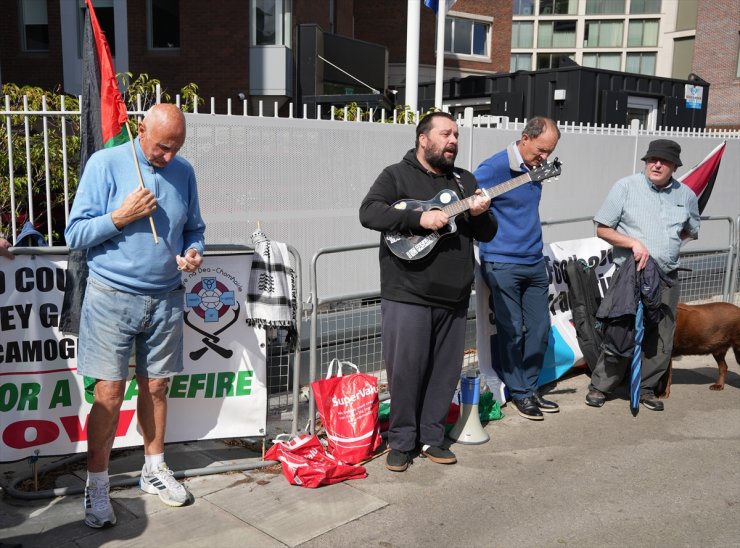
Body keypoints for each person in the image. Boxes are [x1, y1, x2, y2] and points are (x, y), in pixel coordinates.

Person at [65, 103, 206, 528]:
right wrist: (120, 217)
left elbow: (194, 227)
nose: (168, 157)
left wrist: (195, 251)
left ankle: (154, 468)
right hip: (111, 296)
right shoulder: (105, 163)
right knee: (108, 393)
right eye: (163, 147)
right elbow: (75, 234)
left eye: (176, 148)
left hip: (165, 296)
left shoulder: (184, 171)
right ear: (140, 129)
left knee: (157, 387)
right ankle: (97, 484)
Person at [359, 112, 497, 472]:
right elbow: (370, 212)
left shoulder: (465, 181)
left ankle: (433, 438)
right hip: (407, 293)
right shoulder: (396, 175)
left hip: (453, 296)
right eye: (445, 134)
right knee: (405, 371)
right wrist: (419, 219)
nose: (453, 141)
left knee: (444, 371)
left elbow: (487, 233)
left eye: (456, 135)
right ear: (423, 138)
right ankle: (402, 442)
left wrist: (481, 213)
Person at [585, 139, 700, 411]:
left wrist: (666, 248)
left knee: (661, 334)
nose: (656, 164)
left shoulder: (686, 195)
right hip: (631, 275)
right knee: (622, 331)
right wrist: (634, 243)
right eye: (652, 160)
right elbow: (602, 229)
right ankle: (601, 386)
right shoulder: (625, 187)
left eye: (663, 161)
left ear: (674, 166)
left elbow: (689, 230)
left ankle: (647, 387)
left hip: (667, 277)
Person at [473, 116, 561, 421]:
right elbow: (469, 205)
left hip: (534, 260)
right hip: (501, 261)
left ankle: (530, 386)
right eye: (540, 149)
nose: (544, 157)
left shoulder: (535, 168)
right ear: (525, 138)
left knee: (539, 329)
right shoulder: (494, 167)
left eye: (549, 152)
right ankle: (521, 394)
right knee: (512, 332)